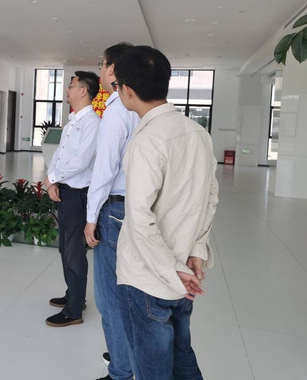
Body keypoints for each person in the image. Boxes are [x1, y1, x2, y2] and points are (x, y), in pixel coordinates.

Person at [113, 46, 218, 380]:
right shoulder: (198, 133)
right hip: (185, 269)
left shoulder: (147, 141)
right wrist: (196, 252)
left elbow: (139, 217)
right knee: (182, 359)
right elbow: (210, 197)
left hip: (149, 279)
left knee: (153, 369)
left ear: (127, 89)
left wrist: (171, 270)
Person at [84, 43, 140, 380]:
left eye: (102, 66)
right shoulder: (141, 107)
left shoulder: (116, 110)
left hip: (115, 209)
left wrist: (91, 218)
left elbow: (104, 170)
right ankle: (124, 354)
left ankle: (121, 371)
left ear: (112, 69)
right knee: (131, 292)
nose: (100, 72)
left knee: (109, 299)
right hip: (137, 208)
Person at [44, 71, 101, 327]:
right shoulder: (71, 123)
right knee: (64, 249)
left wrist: (53, 177)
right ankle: (73, 295)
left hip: (79, 196)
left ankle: (74, 310)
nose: (67, 89)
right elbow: (58, 155)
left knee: (75, 252)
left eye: (71, 85)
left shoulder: (92, 123)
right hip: (64, 191)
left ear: (83, 91)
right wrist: (51, 180)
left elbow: (80, 162)